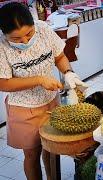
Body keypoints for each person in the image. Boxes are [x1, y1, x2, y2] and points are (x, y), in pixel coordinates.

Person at [0, 2, 86, 180]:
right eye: (16, 39)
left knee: (51, 149)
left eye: (29, 34)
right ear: (4, 34)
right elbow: (4, 83)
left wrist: (68, 73)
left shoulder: (43, 29)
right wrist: (39, 80)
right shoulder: (1, 46)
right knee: (32, 155)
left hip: (50, 101)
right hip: (23, 108)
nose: (25, 41)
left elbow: (60, 56)